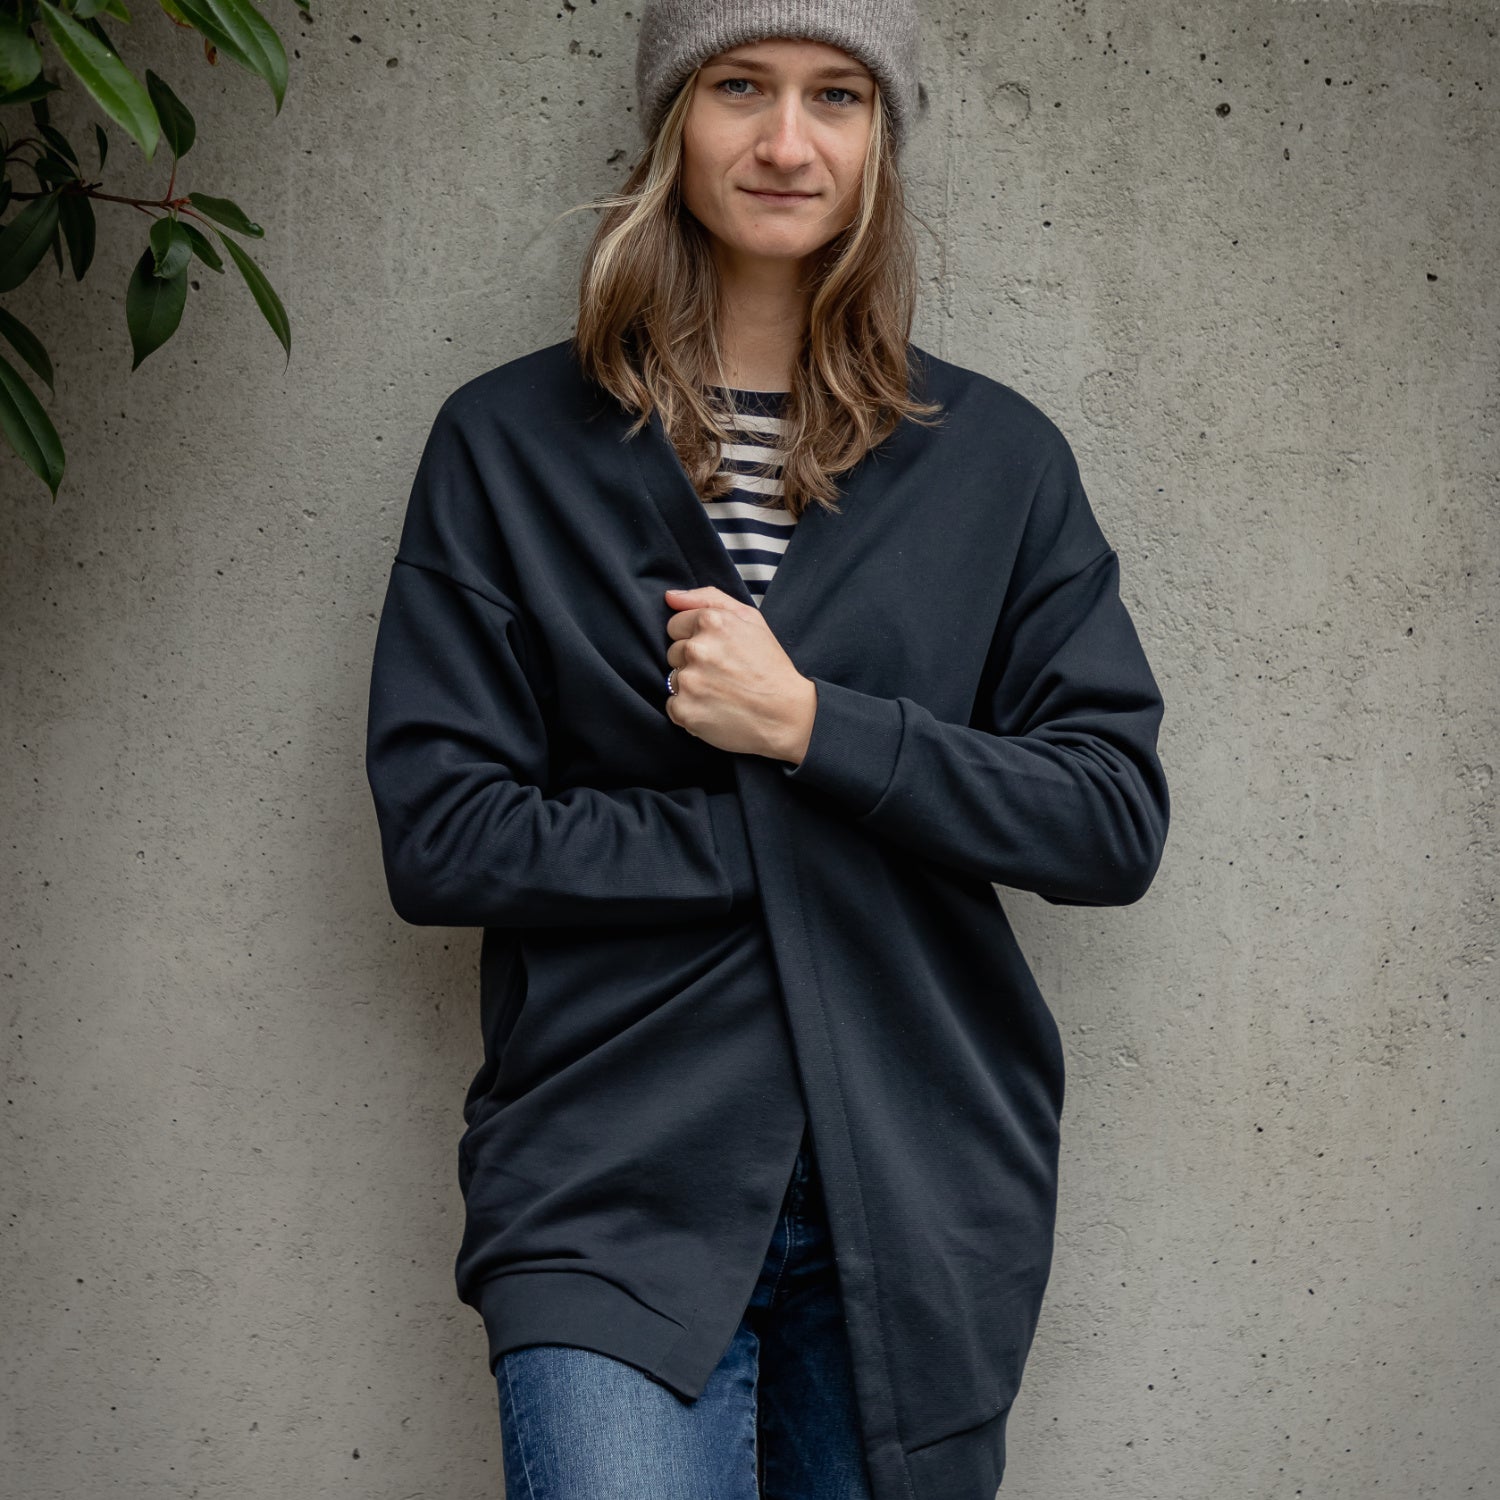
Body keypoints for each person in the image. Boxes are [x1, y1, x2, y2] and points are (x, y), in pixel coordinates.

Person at [364, 3, 1171, 1498]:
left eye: (837, 96)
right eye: (741, 85)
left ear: (881, 138)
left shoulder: (999, 462)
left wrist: (813, 727)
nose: (788, 141)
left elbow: (1109, 817)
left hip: (918, 1202)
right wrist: (795, 831)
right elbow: (445, 835)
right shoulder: (509, 443)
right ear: (676, 122)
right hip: (606, 1176)